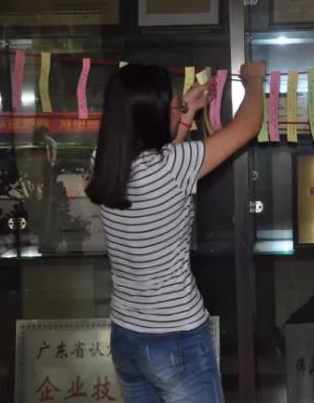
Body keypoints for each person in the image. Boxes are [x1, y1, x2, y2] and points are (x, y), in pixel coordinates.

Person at [85, 61, 265, 403]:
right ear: (153, 118)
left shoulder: (104, 162)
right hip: (175, 336)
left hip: (126, 335)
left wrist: (186, 113)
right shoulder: (173, 166)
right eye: (174, 105)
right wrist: (253, 80)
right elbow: (248, 125)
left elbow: (164, 160)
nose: (180, 106)